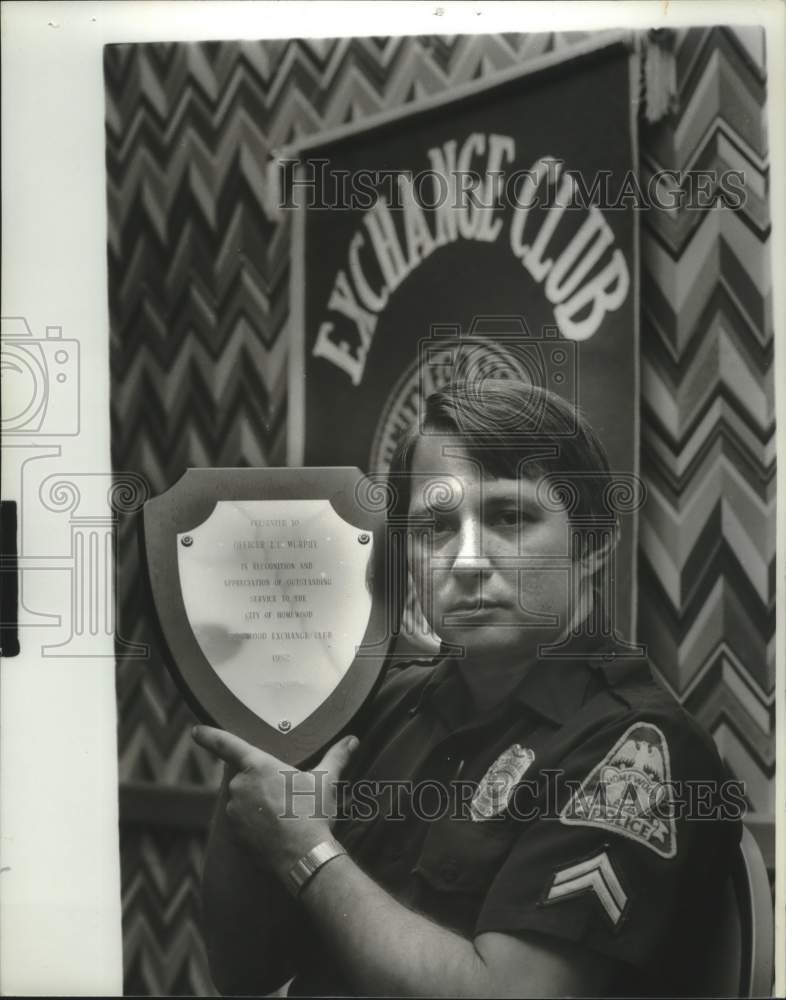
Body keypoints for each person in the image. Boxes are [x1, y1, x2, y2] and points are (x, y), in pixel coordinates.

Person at [194, 378, 742, 997]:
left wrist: (305, 850)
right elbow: (246, 974)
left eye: (510, 517)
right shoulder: (383, 707)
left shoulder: (639, 748)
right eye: (435, 526)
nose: (467, 560)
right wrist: (249, 719)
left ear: (592, 544)